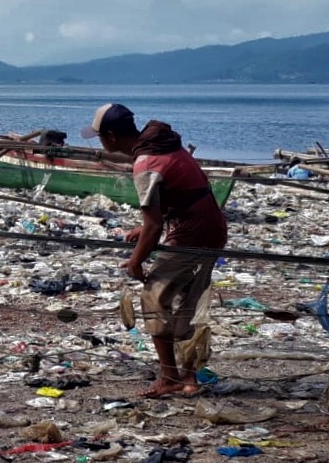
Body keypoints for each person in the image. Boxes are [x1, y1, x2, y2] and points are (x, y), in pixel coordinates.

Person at [82, 103, 227, 397]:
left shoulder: (146, 163)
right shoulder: (166, 145)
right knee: (189, 300)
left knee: (154, 295)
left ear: (110, 137)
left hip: (191, 234)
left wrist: (136, 262)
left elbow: (153, 225)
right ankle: (188, 377)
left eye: (99, 137)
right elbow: (171, 203)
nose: (101, 142)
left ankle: (169, 376)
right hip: (211, 228)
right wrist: (146, 229)